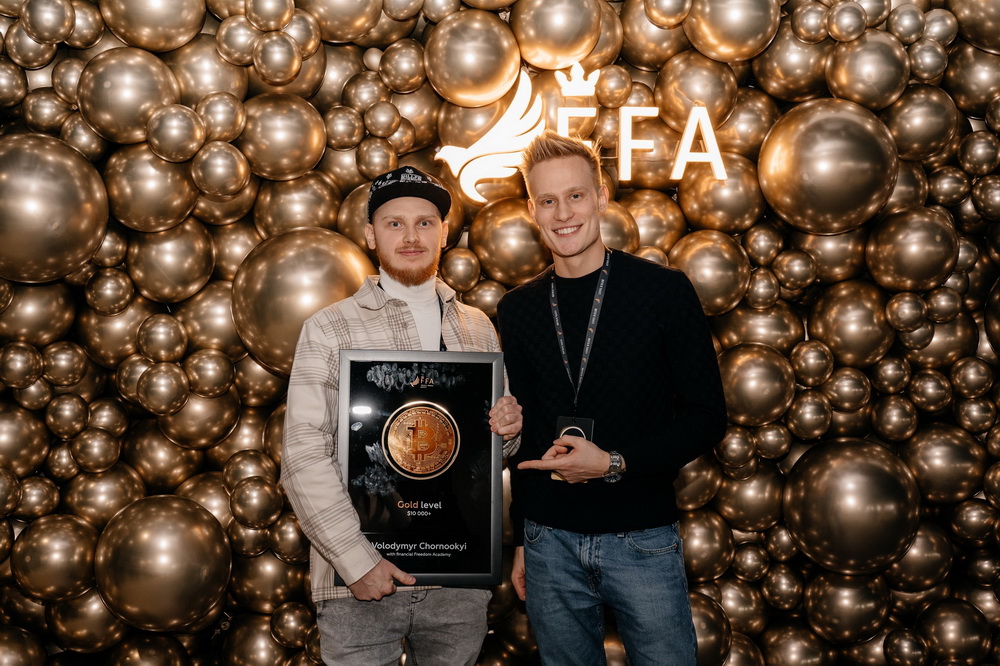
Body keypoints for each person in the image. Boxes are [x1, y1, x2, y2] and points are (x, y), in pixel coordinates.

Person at [496, 131, 727, 665]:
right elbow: (527, 437)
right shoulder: (517, 309)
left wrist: (613, 463)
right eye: (547, 200)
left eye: (575, 195)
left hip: (641, 536)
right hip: (549, 541)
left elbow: (706, 417)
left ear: (600, 196)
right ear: (532, 210)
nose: (563, 214)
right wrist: (524, 539)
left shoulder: (664, 291)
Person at [282, 165, 523, 666]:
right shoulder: (329, 328)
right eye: (394, 223)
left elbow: (490, 455)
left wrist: (511, 428)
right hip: (359, 585)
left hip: (458, 584)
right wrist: (355, 560)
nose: (411, 236)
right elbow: (303, 455)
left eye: (424, 222)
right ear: (371, 235)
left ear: (444, 233)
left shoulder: (477, 327)